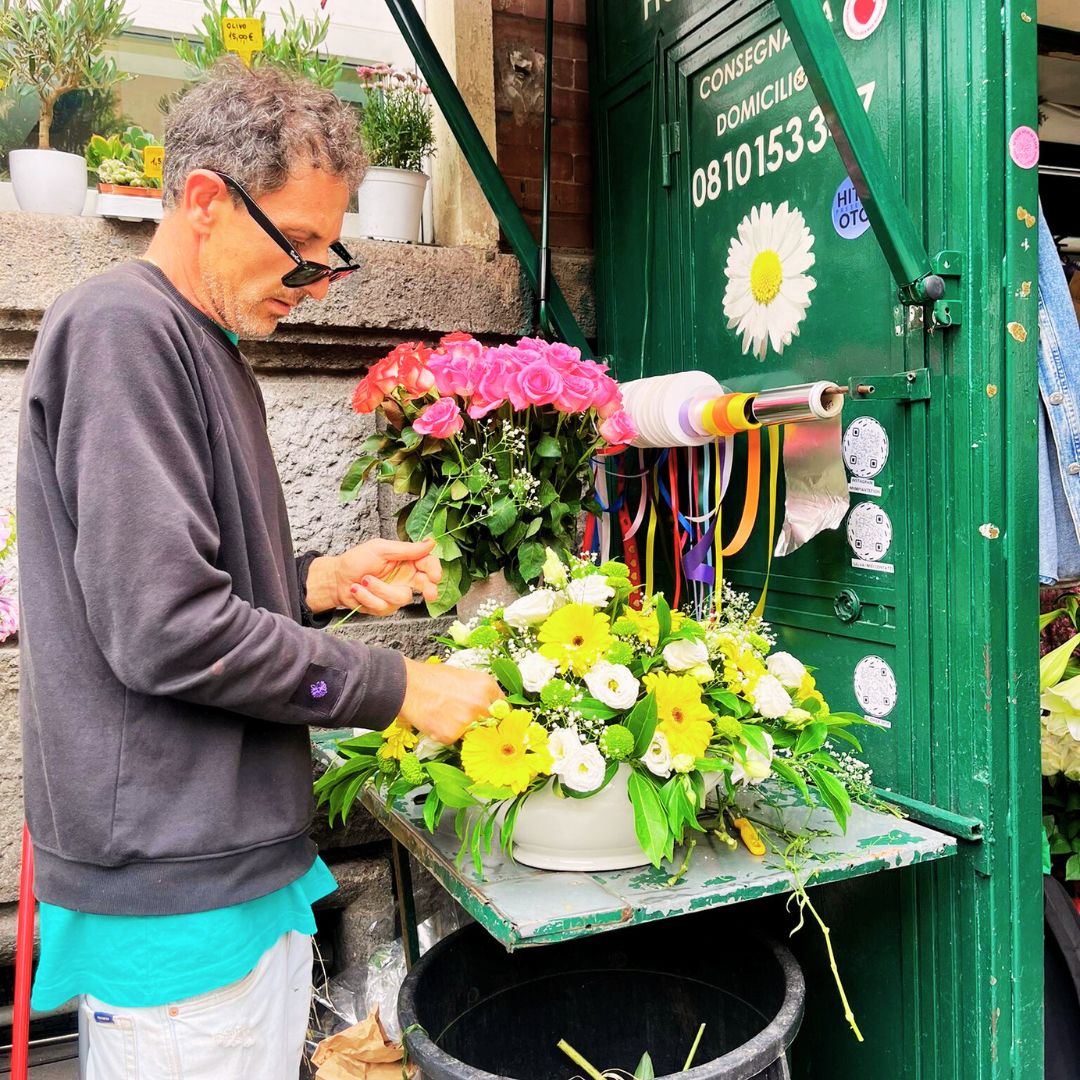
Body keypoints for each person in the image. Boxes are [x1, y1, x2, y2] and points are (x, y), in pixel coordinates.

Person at [16, 59, 501, 1079]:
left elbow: (181, 578)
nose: (316, 276)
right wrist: (400, 688)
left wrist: (315, 579)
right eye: (301, 243)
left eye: (333, 250)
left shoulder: (197, 343)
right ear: (203, 201)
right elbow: (169, 629)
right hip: (176, 885)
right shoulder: (123, 331)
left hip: (219, 865)